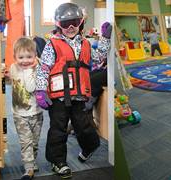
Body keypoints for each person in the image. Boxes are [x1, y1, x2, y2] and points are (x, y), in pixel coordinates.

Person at [35, 3, 112, 179]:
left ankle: (90, 146)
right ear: (57, 24)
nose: (70, 27)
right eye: (65, 23)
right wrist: (40, 90)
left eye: (74, 22)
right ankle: (58, 162)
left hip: (78, 95)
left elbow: (99, 58)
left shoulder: (85, 43)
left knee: (83, 126)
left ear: (81, 22)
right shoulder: (52, 45)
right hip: (59, 97)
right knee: (58, 129)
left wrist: (105, 39)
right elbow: (43, 68)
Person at [9, 37, 43, 180]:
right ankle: (28, 169)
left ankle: (32, 161)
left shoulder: (37, 69)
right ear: (15, 57)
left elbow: (31, 87)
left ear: (35, 56)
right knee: (26, 142)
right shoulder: (13, 67)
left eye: (29, 57)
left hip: (36, 112)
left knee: (34, 141)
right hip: (19, 114)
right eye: (21, 57)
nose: (25, 60)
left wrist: (30, 70)